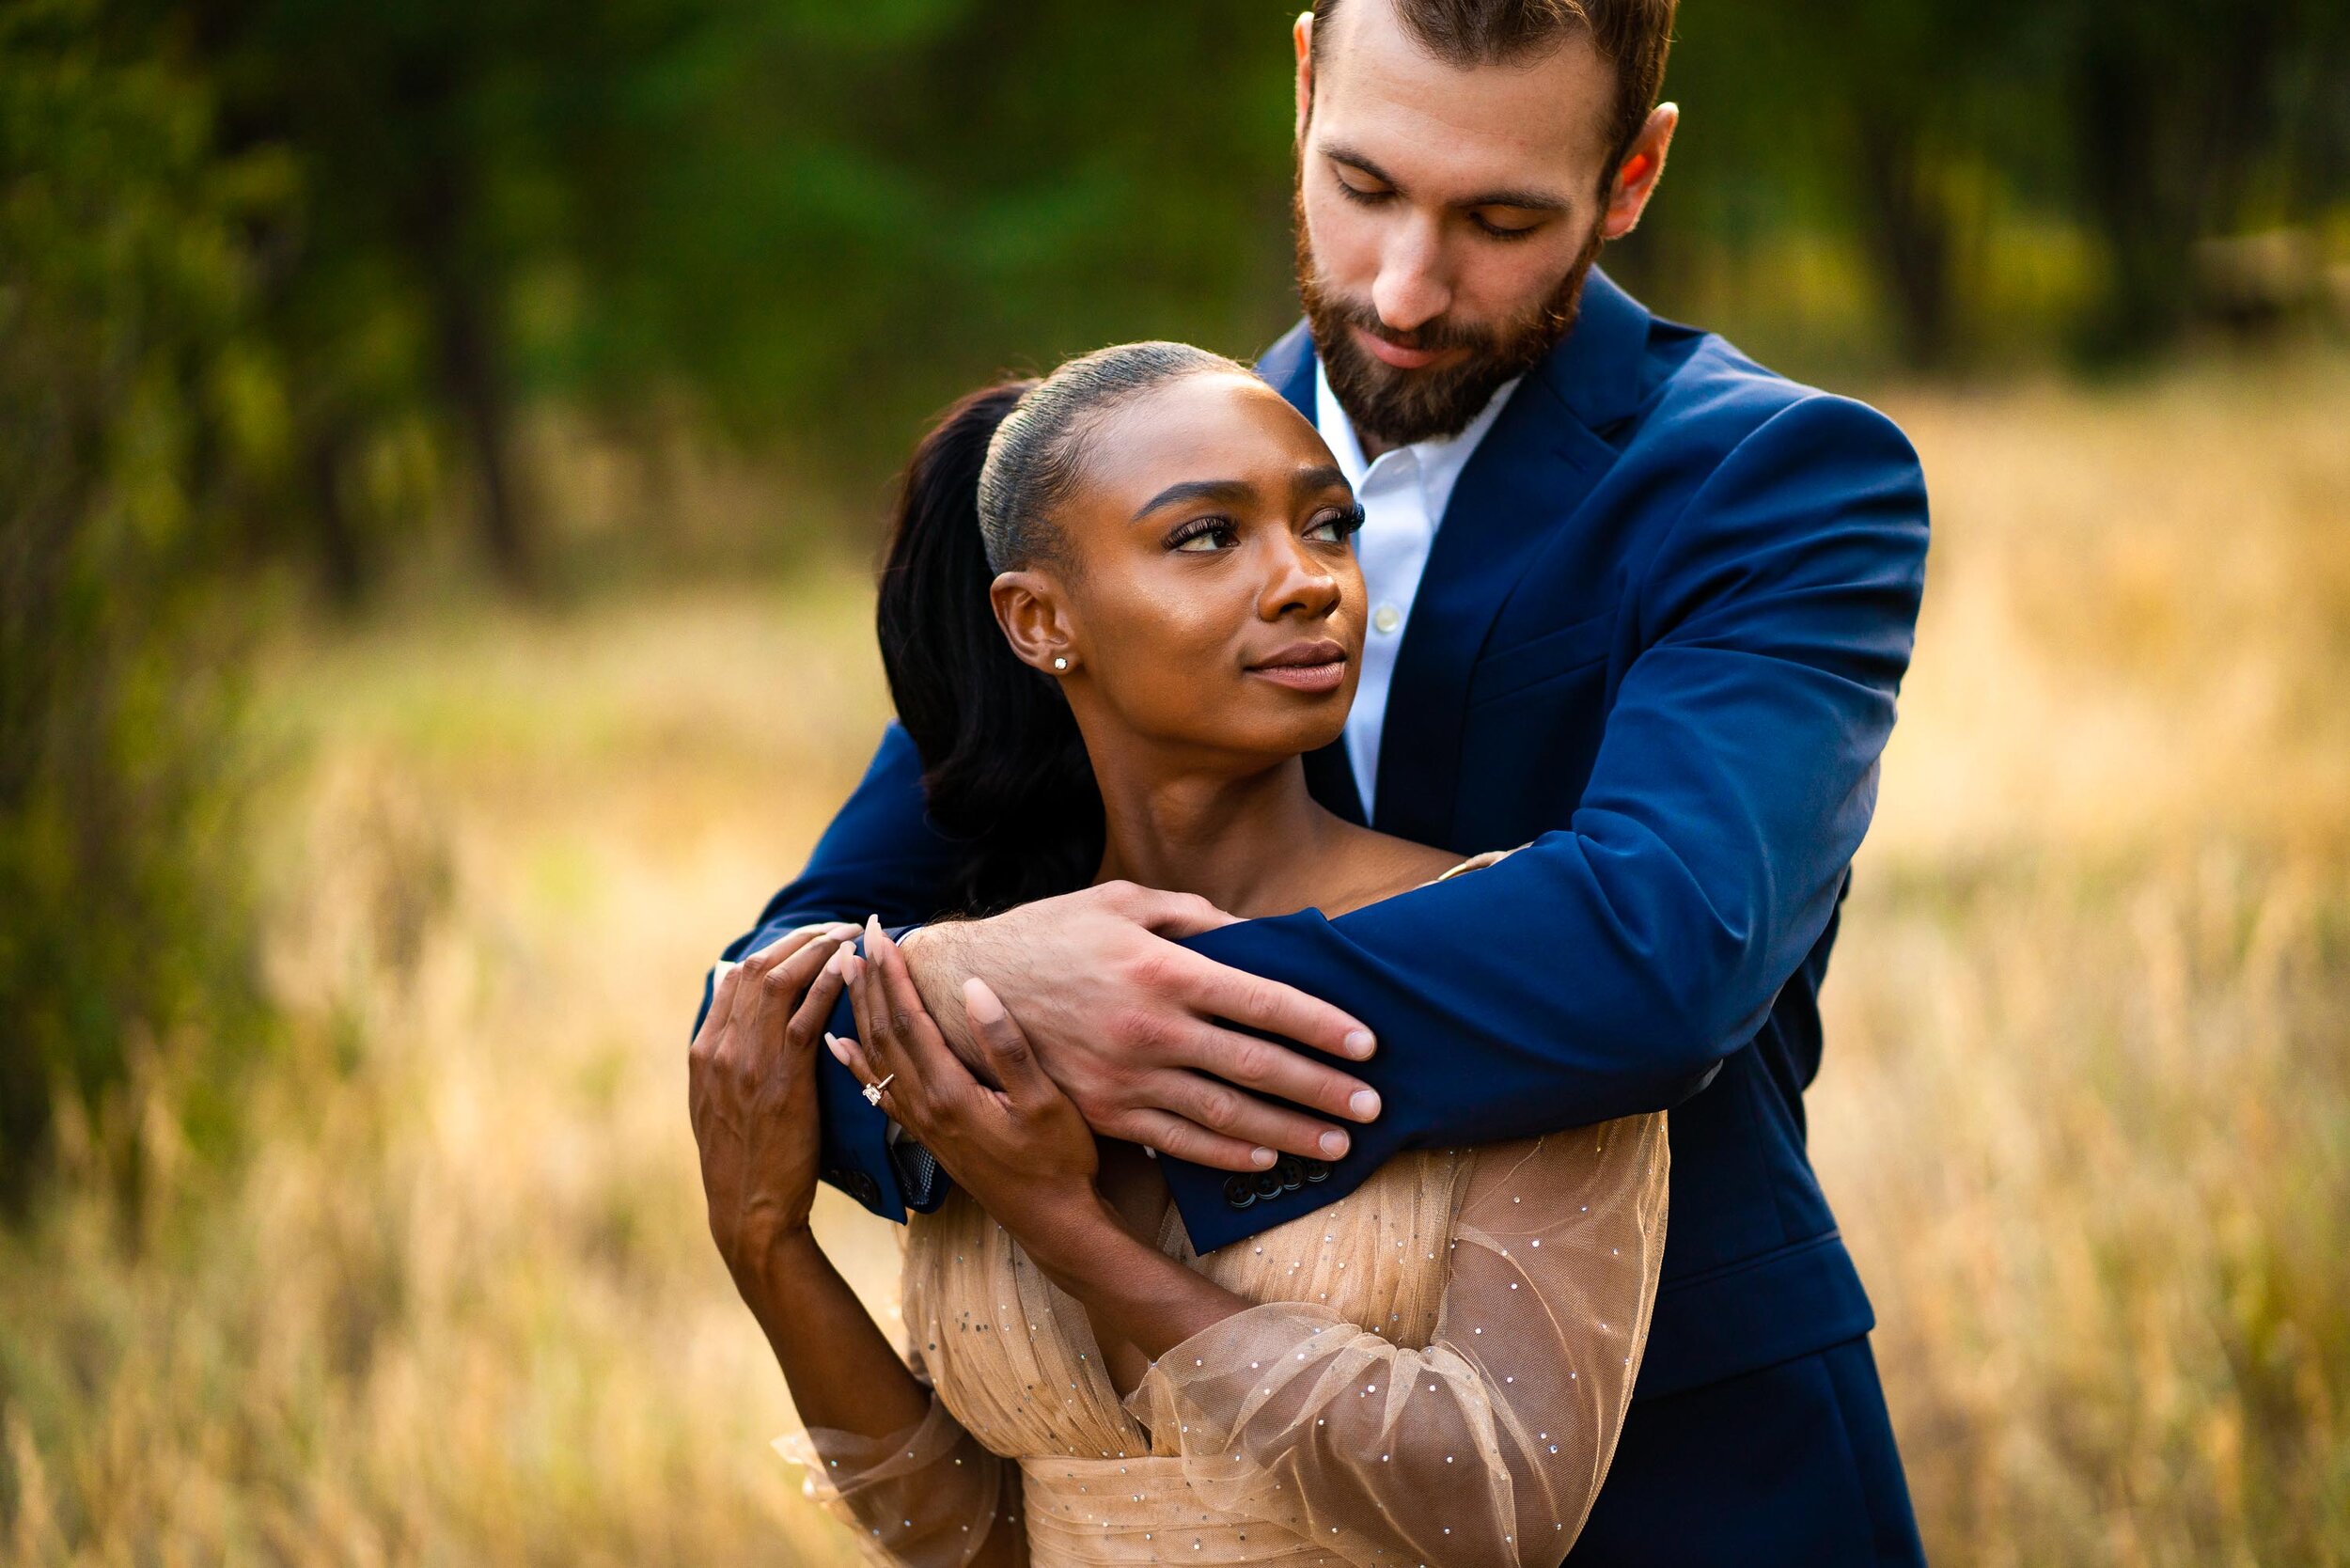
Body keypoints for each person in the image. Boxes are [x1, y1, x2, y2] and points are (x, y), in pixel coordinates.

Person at [704, 1, 1931, 1561]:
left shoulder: (1779, 481)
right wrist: (970, 981)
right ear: (1302, 89)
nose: (1408, 289)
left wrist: (1100, 1029)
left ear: (1631, 178)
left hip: (1687, 1475)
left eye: (1499, 220)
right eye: (1363, 188)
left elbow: (1661, 953)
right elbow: (757, 1018)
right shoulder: (1112, 485)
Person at [690, 345, 1669, 1567]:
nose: (1308, 580)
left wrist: (1072, 1235)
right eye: (1208, 536)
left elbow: (1502, 1512)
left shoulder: (1501, 954)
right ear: (1039, 619)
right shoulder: (986, 1024)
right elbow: (980, 1540)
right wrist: (767, 1250)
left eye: (1329, 526)